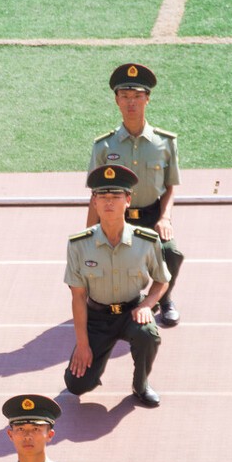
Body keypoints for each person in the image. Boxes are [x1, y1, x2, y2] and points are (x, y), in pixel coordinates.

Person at [64, 165, 170, 407]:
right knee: (76, 385)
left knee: (148, 334)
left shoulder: (147, 241)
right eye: (102, 197)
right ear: (94, 203)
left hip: (132, 312)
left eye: (115, 197)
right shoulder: (79, 245)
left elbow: (162, 280)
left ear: (128, 200)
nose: (108, 202)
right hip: (97, 318)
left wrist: (147, 305)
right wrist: (83, 344)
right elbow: (78, 297)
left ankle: (140, 384)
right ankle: (96, 363)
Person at [87, 63, 183, 327]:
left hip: (152, 214)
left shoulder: (165, 143)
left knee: (171, 253)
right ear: (117, 100)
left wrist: (165, 218)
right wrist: (89, 233)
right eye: (125, 97)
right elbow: (96, 194)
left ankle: (164, 300)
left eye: (138, 96)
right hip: (117, 217)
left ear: (147, 99)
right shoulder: (104, 145)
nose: (132, 103)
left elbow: (170, 186)